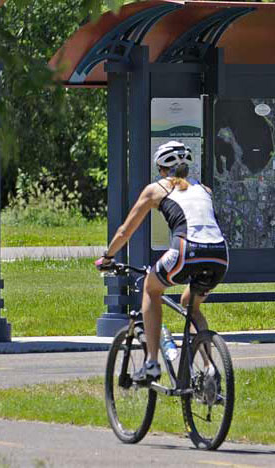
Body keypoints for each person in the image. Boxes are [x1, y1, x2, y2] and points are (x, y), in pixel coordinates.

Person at [95, 140, 229, 383]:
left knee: (151, 287)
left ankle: (152, 364)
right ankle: (209, 368)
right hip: (219, 254)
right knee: (191, 304)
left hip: (187, 249)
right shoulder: (205, 189)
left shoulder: (156, 189)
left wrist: (108, 257)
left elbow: (126, 231)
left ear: (161, 168)